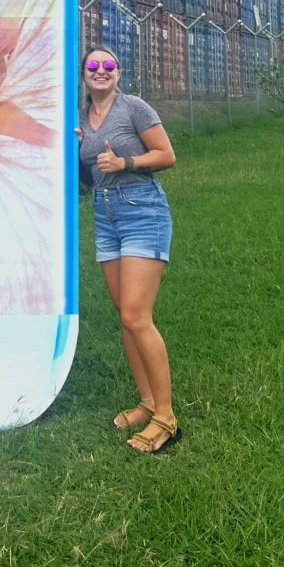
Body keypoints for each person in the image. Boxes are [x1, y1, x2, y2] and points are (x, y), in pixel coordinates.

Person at [76, 46, 180, 453]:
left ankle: (167, 418)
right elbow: (86, 179)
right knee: (124, 316)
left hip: (143, 211)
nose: (101, 71)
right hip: (105, 217)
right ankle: (148, 401)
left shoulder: (133, 108)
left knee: (138, 316)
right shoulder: (80, 120)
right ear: (83, 75)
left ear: (119, 73)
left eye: (109, 66)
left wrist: (127, 163)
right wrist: (74, 150)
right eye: (93, 66)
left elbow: (167, 155)